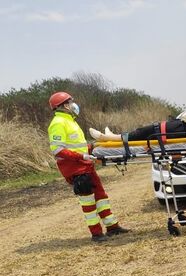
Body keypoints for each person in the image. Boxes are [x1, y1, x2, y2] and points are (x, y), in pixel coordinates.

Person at [47, 92, 130, 242]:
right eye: (70, 102)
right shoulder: (58, 123)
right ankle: (96, 234)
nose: (73, 104)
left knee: (101, 196)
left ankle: (112, 227)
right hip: (75, 169)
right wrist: (81, 156)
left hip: (86, 166)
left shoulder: (71, 121)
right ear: (64, 105)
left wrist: (92, 147)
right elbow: (58, 150)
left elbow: (77, 146)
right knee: (88, 202)